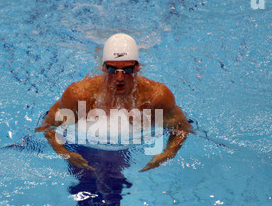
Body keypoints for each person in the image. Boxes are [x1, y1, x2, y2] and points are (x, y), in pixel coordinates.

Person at [35, 33, 192, 172]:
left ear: (138, 68)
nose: (119, 78)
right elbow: (47, 126)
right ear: (103, 67)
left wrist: (167, 153)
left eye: (128, 70)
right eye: (112, 70)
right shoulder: (80, 95)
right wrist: (66, 154)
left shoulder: (157, 96)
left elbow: (182, 127)